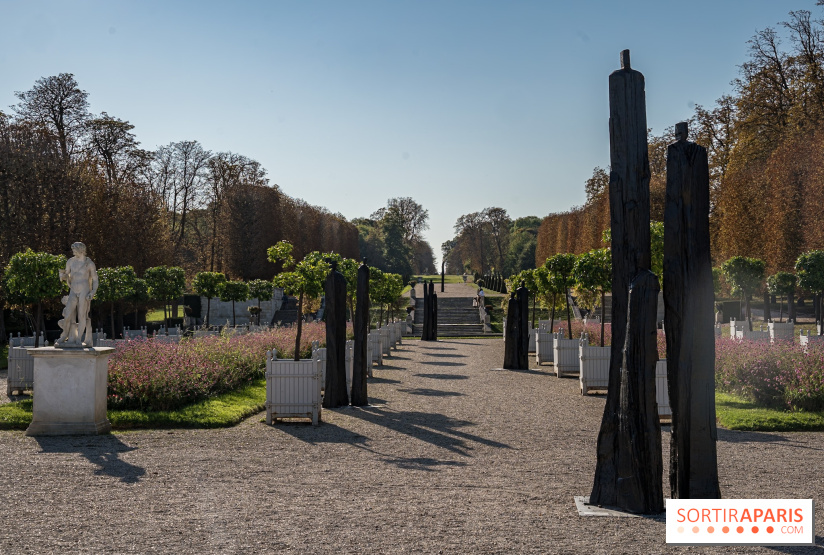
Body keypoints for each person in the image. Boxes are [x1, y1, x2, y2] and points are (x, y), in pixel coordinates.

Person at [55, 242, 99, 347]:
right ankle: (64, 335)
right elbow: (67, 275)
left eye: (75, 250)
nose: (73, 252)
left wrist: (92, 292)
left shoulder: (89, 264)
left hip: (84, 290)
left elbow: (95, 280)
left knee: (82, 315)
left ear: (81, 250)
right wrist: (62, 276)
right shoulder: (70, 261)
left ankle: (79, 338)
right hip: (73, 290)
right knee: (68, 314)